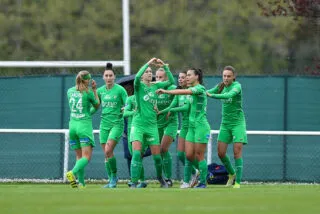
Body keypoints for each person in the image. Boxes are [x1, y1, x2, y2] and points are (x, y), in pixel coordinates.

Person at [156, 68, 211, 188]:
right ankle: (189, 180)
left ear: (197, 77)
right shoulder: (190, 90)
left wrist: (165, 92)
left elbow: (184, 95)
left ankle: (202, 182)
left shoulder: (199, 88)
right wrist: (162, 111)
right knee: (188, 155)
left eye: (189, 75)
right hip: (191, 127)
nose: (187, 77)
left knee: (199, 155)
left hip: (201, 126)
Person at [130, 57, 175, 188]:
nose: (149, 73)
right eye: (147, 71)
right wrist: (148, 63)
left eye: (151, 71)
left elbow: (171, 81)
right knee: (137, 153)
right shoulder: (138, 86)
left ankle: (161, 178)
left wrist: (165, 66)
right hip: (138, 124)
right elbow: (137, 75)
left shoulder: (156, 86)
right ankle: (134, 182)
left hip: (152, 126)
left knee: (156, 157)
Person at [206, 65, 247, 189]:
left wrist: (212, 96)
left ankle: (238, 182)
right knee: (221, 153)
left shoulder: (237, 86)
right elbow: (207, 91)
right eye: (224, 76)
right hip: (225, 124)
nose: (226, 78)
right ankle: (232, 173)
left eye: (229, 76)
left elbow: (228, 96)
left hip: (237, 124)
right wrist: (197, 91)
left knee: (237, 152)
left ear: (234, 77)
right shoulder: (221, 86)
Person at [93, 63, 128, 188]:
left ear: (114, 77)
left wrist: (125, 108)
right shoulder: (100, 91)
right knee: (106, 154)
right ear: (103, 77)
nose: (108, 78)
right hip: (104, 125)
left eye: (110, 75)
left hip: (117, 124)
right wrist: (86, 114)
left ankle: (114, 177)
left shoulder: (120, 90)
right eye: (106, 75)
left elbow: (127, 103)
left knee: (108, 150)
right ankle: (110, 180)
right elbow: (95, 107)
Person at [66, 70, 100, 188]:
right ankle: (72, 173)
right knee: (86, 157)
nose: (90, 81)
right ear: (85, 80)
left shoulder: (69, 91)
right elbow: (96, 105)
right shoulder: (88, 92)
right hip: (83, 126)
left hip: (72, 126)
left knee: (79, 156)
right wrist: (95, 90)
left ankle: (81, 183)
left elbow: (82, 109)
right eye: (89, 79)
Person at [155, 68, 178, 187]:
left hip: (170, 122)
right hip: (158, 123)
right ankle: (163, 178)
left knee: (163, 149)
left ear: (167, 79)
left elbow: (177, 101)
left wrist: (170, 110)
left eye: (161, 77)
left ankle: (168, 178)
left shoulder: (172, 88)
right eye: (157, 77)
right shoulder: (153, 89)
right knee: (160, 152)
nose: (158, 80)